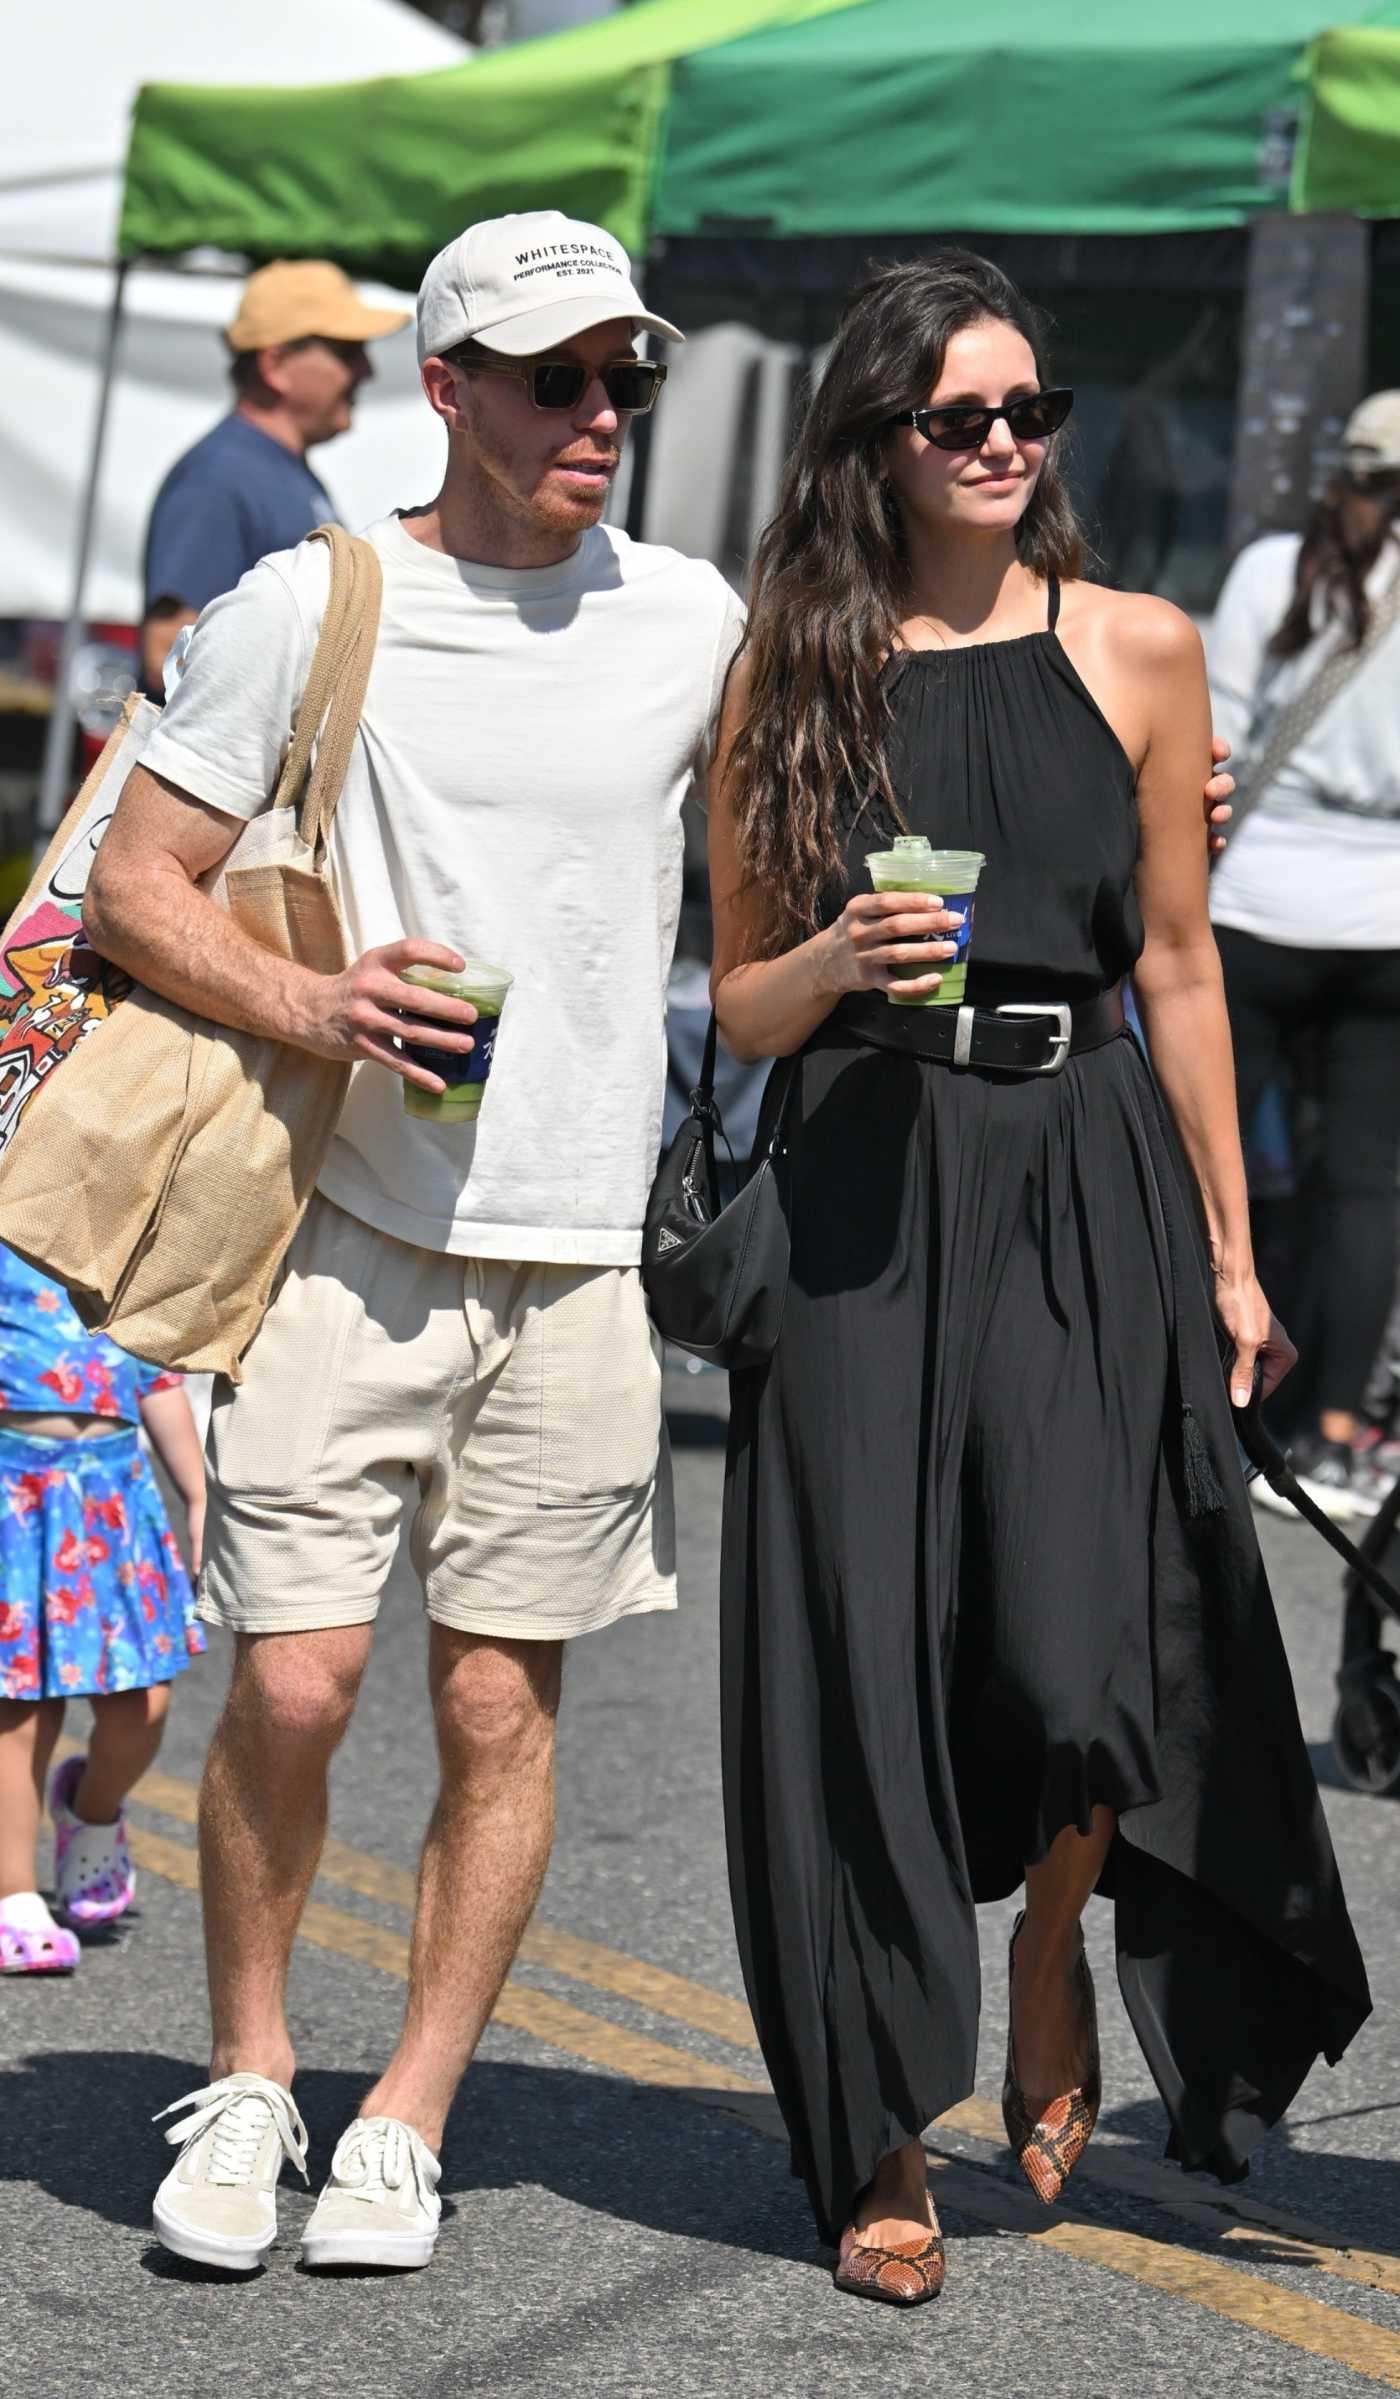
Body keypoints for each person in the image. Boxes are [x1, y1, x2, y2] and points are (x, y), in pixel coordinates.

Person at [83, 210, 745, 2278]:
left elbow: (772, 849)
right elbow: (132, 879)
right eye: (553, 378)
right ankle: (255, 2062)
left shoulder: (690, 615)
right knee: (286, 1680)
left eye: (621, 378)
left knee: (496, 1710)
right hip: (337, 1232)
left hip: (572, 1256)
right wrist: (317, 1003)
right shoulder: (315, 596)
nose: (597, 415)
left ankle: (406, 2108)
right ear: (444, 386)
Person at [708, 253, 1370, 2305]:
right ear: (874, 444)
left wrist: (1234, 1250)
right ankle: (882, 2124)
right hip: (867, 1184)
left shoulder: (1146, 646)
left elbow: (1175, 961)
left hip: (1084, 1165)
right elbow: (739, 998)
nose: (1002, 446)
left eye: (1027, 411)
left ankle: (1048, 1941)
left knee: (1089, 1640)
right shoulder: (791, 662)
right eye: (956, 418)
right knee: (867, 1664)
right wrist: (836, 964)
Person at [1208, 392, 1400, 1524]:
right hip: (1385, 921)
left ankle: (1188, 1400)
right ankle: (1333, 1433)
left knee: (1206, 1168)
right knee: (1365, 1185)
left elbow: (1216, 735)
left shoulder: (1269, 569)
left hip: (1253, 904)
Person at [0, 1248, 205, 1974]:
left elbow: (157, 1377)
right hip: (15, 1491)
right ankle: (14, 1897)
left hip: (115, 1496)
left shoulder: (119, 1237)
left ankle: (91, 1813)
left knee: (141, 1703)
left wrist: (200, 1495)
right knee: (22, 1707)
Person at [139, 261, 408, 697]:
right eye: (346, 352)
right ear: (276, 365)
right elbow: (166, 656)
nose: (366, 371)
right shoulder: (217, 476)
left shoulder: (274, 471)